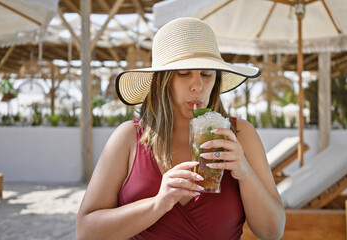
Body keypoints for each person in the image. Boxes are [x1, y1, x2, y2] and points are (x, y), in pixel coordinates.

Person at [76, 17, 285, 240]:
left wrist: (245, 172)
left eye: (207, 74)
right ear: (161, 81)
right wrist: (157, 205)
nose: (198, 86)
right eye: (184, 73)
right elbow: (86, 232)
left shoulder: (241, 135)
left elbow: (272, 233)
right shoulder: (129, 137)